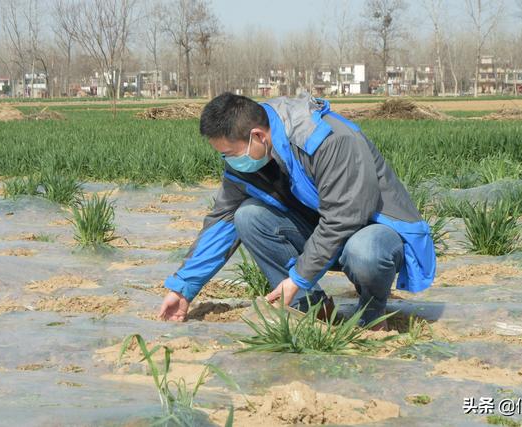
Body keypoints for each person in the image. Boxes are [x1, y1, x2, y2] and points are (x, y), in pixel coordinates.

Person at [158, 92, 436, 330]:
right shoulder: (249, 159)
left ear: (257, 136)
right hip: (321, 234)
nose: (229, 161)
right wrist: (183, 289)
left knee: (364, 250)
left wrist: (298, 277)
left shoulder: (327, 140)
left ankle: (372, 314)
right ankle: (312, 308)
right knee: (247, 216)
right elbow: (222, 222)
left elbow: (344, 219)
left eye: (230, 153)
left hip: (372, 231)